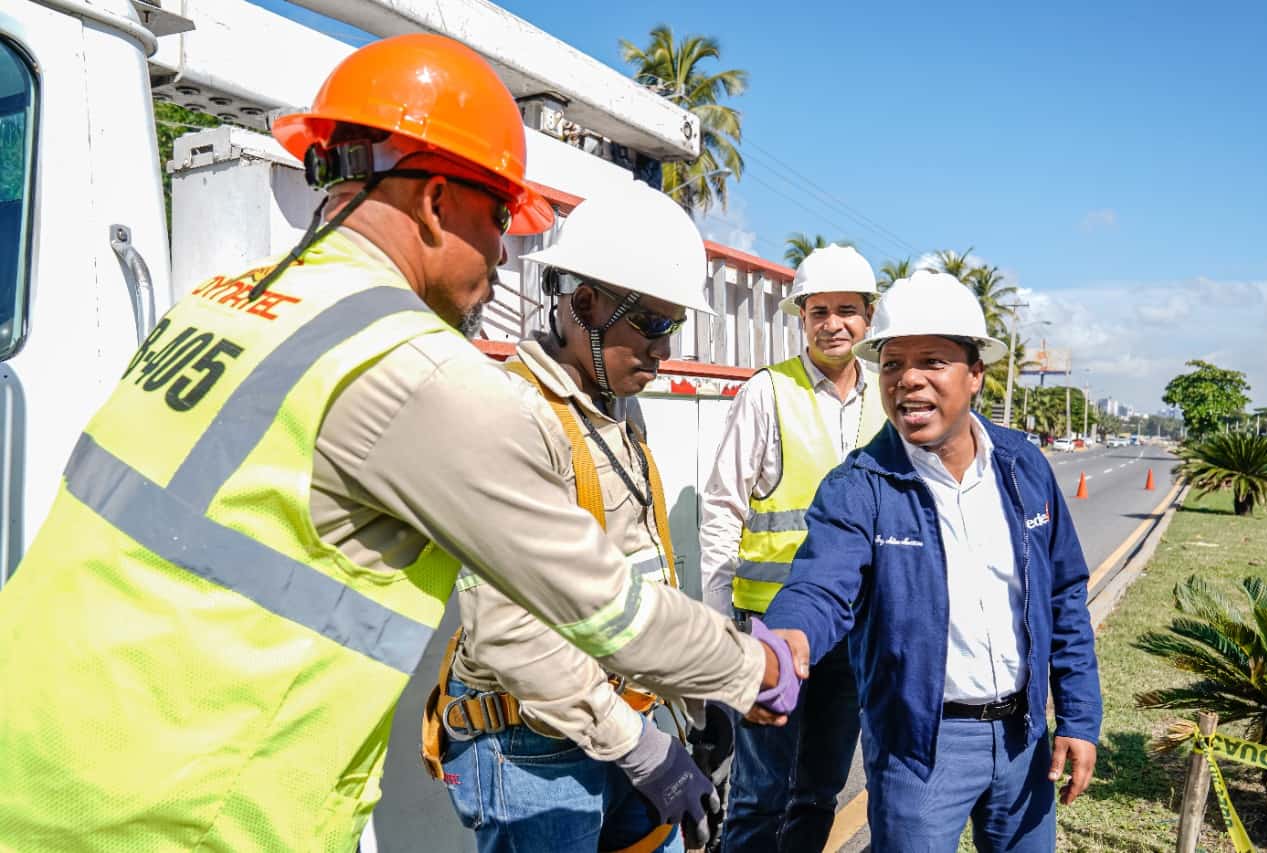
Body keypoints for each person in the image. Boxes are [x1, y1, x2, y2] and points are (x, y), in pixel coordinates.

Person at [0, 35, 802, 852]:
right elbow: (609, 611)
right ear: (434, 202)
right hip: (179, 816)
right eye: (497, 221)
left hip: (41, 768)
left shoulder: (218, 304)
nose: (502, 254)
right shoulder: (421, 372)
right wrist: (755, 672)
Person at [423, 180, 718, 852]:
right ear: (583, 304)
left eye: (673, 326)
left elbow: (635, 578)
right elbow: (508, 633)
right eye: (651, 323)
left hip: (623, 724)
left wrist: (691, 706)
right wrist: (644, 749)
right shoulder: (514, 418)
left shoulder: (617, 408)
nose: (662, 349)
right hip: (535, 752)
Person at [764, 271, 1102, 852]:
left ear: (975, 375)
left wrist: (1077, 717)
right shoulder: (859, 488)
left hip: (1025, 740)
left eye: (932, 362)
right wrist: (787, 635)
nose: (908, 381)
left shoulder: (1024, 467)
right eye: (892, 365)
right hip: (919, 751)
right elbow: (821, 585)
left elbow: (1064, 595)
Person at [699, 246, 886, 852]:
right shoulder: (766, 392)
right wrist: (717, 616)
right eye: (819, 311)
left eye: (848, 311)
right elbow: (723, 504)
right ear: (801, 317)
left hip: (854, 630)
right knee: (759, 791)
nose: (833, 324)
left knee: (820, 790)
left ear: (868, 317)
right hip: (771, 627)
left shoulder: (887, 398)